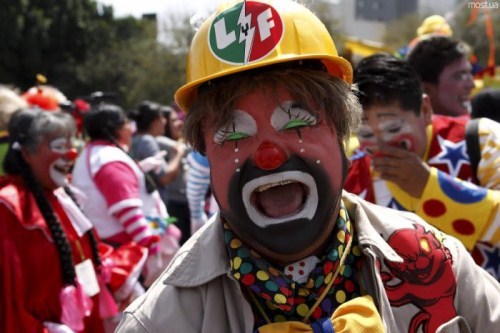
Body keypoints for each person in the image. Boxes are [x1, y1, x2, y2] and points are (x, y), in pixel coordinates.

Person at [117, 1, 500, 332]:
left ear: (341, 135)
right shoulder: (160, 321)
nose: (270, 155)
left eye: (298, 122)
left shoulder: (436, 262)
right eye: (233, 136)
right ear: (205, 154)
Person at [345, 53, 500, 281]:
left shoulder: (483, 138)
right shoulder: (351, 175)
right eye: (366, 134)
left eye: (394, 128)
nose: (381, 146)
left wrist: (430, 188)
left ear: (425, 111)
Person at [0, 107, 146, 332]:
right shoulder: (10, 207)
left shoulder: (63, 195)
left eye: (71, 145)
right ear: (26, 153)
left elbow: (84, 250)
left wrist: (115, 280)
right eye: (59, 146)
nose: (71, 155)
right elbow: (9, 295)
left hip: (86, 318)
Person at [72, 103, 180, 288]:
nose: (131, 129)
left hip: (112, 247)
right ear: (118, 129)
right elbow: (127, 210)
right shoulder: (109, 159)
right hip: (125, 256)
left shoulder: (95, 153)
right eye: (128, 125)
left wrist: (137, 170)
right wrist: (151, 249)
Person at [407, 36, 476, 118]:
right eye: (460, 76)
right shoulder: (412, 129)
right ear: (427, 89)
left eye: (470, 73)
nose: (471, 85)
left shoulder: (482, 127)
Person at [153, 104, 192, 244]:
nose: (179, 123)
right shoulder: (160, 141)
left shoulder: (175, 142)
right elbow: (188, 149)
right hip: (174, 204)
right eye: (173, 120)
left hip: (183, 202)